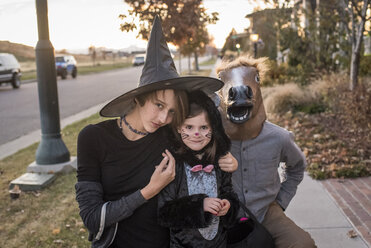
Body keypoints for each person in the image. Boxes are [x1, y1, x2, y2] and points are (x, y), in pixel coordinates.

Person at [75, 16, 237, 248]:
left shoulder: (169, 135)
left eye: (172, 111)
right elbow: (92, 219)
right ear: (139, 97)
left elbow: (204, 134)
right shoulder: (93, 138)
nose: (164, 118)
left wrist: (226, 157)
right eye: (158, 105)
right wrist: (150, 190)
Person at [216, 56, 316, 248]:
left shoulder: (280, 137)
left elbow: (298, 166)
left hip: (266, 211)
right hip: (226, 213)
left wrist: (281, 201)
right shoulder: (212, 138)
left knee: (303, 244)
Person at [158, 90, 239, 247]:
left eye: (203, 128)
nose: (196, 134)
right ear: (178, 128)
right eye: (189, 127)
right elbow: (164, 212)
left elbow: (229, 193)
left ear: (213, 129)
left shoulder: (219, 162)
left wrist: (228, 205)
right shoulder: (173, 165)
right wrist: (200, 205)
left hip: (219, 243)